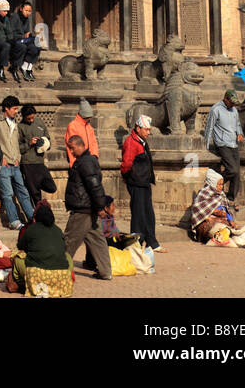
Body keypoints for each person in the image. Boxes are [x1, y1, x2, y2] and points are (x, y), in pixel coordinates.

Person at [63, 134, 112, 280]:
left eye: (72, 148)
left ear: (79, 145)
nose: (71, 152)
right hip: (89, 208)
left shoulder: (85, 162)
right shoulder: (87, 160)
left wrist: (100, 207)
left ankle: (60, 270)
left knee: (69, 241)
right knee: (97, 241)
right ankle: (105, 272)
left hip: (83, 209)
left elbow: (95, 186)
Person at [10, 200, 75, 297]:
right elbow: (63, 248)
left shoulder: (31, 229)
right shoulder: (58, 230)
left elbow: (21, 247)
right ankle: (58, 286)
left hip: (38, 275)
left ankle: (24, 283)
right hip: (61, 277)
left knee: (17, 257)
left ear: (35, 219)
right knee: (67, 256)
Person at [0, 95, 34, 230]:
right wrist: (0, 158)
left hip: (15, 163)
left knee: (23, 192)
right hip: (4, 164)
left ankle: (32, 218)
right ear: (6, 108)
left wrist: (18, 157)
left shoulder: (14, 122)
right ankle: (14, 221)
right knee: (7, 194)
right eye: (14, 109)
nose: (16, 111)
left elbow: (15, 142)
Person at [121, 114, 162, 252]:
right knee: (138, 214)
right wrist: (129, 177)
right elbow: (126, 164)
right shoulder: (131, 142)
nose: (148, 133)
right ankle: (136, 243)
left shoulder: (141, 141)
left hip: (144, 182)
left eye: (149, 130)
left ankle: (151, 242)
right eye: (146, 130)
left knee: (148, 213)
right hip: (136, 183)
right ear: (138, 128)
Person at [204, 89, 244, 205]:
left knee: (237, 172)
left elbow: (237, 124)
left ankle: (231, 197)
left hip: (233, 143)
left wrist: (240, 133)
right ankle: (215, 182)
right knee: (232, 169)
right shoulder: (216, 109)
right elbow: (209, 127)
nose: (232, 105)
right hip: (222, 143)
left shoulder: (234, 110)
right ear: (225, 99)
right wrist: (206, 145)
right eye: (231, 102)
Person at [189, 170, 239, 245]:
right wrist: (214, 212)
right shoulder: (204, 193)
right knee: (216, 228)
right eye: (219, 184)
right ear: (212, 184)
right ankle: (215, 237)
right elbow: (197, 208)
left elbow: (226, 209)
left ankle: (223, 235)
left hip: (220, 220)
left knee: (231, 229)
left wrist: (231, 220)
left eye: (222, 185)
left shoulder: (221, 195)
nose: (221, 187)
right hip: (207, 222)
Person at [19, 129, 57, 207]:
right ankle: (38, 211)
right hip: (28, 164)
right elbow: (18, 148)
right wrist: (30, 143)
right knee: (36, 195)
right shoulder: (20, 127)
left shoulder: (39, 123)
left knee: (52, 187)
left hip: (40, 162)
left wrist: (43, 142)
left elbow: (48, 141)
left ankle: (32, 185)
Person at [7, 1, 42, 80]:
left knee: (36, 46)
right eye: (26, 10)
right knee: (22, 47)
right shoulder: (14, 17)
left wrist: (30, 36)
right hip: (14, 41)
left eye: (29, 11)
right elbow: (10, 34)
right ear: (21, 9)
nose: (28, 13)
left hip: (23, 40)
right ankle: (14, 68)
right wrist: (23, 36)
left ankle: (27, 68)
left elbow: (26, 32)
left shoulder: (27, 19)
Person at [64, 100, 99, 165]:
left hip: (89, 159)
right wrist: (74, 163)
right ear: (83, 115)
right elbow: (72, 146)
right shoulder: (73, 126)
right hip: (79, 160)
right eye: (87, 117)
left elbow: (94, 143)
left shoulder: (89, 127)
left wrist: (94, 156)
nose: (89, 119)